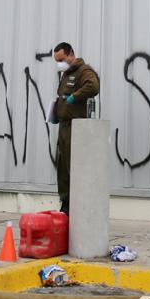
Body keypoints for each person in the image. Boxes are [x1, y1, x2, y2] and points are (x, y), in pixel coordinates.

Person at [49, 42, 99, 215]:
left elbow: (93, 86)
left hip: (76, 128)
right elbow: (61, 97)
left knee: (75, 167)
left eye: (62, 59)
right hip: (63, 126)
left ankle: (78, 204)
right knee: (62, 167)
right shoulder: (66, 74)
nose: (59, 63)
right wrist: (55, 113)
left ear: (71, 54)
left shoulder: (83, 70)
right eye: (57, 60)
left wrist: (74, 97)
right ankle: (66, 203)